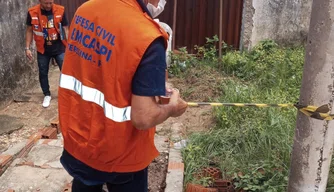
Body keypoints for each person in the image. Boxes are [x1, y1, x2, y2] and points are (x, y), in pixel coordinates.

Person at [58, 0, 188, 191]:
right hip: (121, 153)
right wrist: (172, 108)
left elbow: (96, 69)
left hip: (79, 140)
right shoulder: (147, 35)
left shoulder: (85, 10)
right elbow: (143, 117)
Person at [25, 0, 68, 107]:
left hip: (59, 48)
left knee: (66, 72)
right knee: (43, 72)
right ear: (40, 2)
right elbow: (29, 30)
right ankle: (47, 95)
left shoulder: (61, 10)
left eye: (51, 3)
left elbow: (66, 29)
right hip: (43, 49)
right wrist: (27, 48)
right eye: (46, 3)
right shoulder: (32, 12)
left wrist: (70, 46)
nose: (49, 5)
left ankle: (67, 94)